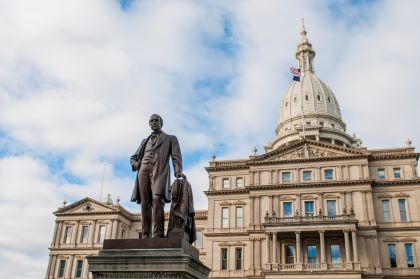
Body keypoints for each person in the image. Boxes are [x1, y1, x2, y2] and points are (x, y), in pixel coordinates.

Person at [130, 114, 183, 238]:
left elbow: (176, 156)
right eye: (151, 121)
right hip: (143, 171)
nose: (154, 123)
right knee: (145, 203)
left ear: (161, 123)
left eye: (156, 121)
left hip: (159, 171)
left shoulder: (171, 138)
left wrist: (178, 170)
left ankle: (158, 234)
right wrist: (135, 164)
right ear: (149, 124)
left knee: (157, 200)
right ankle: (145, 234)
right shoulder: (145, 141)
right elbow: (133, 157)